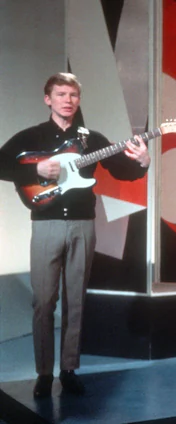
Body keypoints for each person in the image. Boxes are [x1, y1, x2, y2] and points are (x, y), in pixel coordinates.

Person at [0, 72, 150, 397]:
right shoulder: (32, 136)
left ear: (79, 100)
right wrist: (34, 169)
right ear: (48, 99)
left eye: (73, 95)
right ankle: (43, 373)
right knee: (43, 301)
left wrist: (142, 163)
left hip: (84, 225)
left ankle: (69, 369)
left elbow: (121, 171)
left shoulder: (91, 139)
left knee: (76, 301)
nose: (67, 100)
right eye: (61, 94)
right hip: (46, 225)